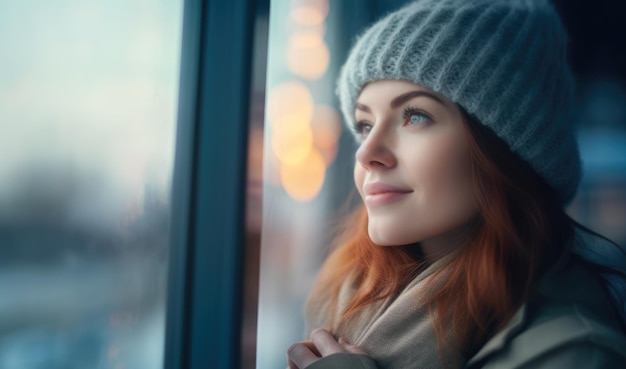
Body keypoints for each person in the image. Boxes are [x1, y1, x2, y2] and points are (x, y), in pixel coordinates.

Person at [286, 0, 626, 368]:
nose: (367, 153)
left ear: (506, 149)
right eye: (365, 124)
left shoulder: (577, 354)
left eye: (415, 116)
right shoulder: (342, 303)